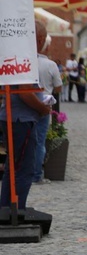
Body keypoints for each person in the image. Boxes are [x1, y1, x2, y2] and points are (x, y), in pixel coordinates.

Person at [1, 22, 54, 207]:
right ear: (39, 39)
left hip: (15, 117)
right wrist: (42, 108)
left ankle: (7, 209)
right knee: (23, 169)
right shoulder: (25, 57)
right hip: (21, 119)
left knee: (14, 167)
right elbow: (24, 92)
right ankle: (15, 209)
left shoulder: (17, 53)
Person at [31, 23, 63, 185]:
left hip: (28, 103)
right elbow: (58, 87)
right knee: (40, 140)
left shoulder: (27, 60)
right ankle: (37, 174)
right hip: (44, 104)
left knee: (27, 140)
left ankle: (26, 172)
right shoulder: (51, 65)